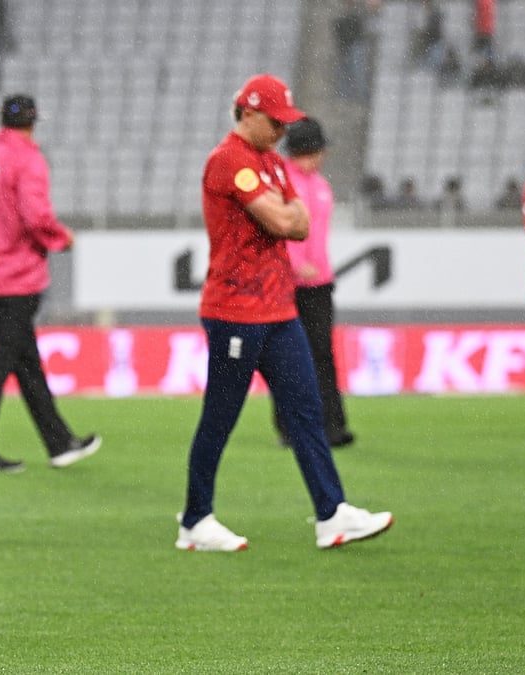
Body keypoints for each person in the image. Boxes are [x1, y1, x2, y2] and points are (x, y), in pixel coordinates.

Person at [177, 74, 393, 553]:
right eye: (275, 122)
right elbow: (282, 219)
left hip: (277, 307)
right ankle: (195, 519)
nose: (281, 131)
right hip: (235, 310)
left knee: (307, 411)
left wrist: (286, 213)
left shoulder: (271, 163)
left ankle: (331, 514)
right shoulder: (230, 160)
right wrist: (285, 212)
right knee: (221, 417)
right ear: (248, 113)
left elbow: (301, 221)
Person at [0, 94, 101, 473]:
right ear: (33, 120)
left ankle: (59, 443)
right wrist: (62, 238)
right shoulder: (27, 160)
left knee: (26, 362)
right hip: (18, 277)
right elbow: (36, 216)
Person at [273, 117, 355, 449]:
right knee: (289, 356)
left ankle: (332, 426)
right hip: (287, 284)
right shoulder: (280, 185)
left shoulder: (321, 186)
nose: (321, 157)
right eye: (318, 149)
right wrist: (295, 265)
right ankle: (290, 428)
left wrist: (319, 268)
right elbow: (278, 232)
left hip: (320, 283)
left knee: (322, 353)